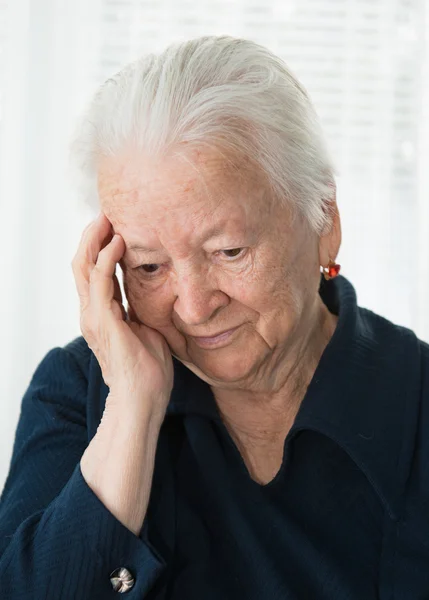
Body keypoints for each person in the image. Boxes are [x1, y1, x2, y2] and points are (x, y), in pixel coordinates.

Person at [0, 35, 428, 600]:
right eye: (149, 266)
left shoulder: (416, 400)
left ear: (324, 220)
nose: (195, 307)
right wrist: (132, 408)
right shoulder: (76, 391)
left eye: (229, 252)